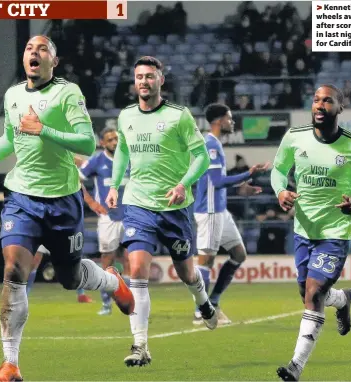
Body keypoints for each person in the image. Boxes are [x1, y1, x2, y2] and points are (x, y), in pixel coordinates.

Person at [0, 35, 134, 381]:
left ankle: (111, 281)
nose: (34, 52)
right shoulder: (13, 95)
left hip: (62, 200)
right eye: (30, 48)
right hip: (21, 197)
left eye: (43, 49)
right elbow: (12, 139)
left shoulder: (67, 93)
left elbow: (87, 143)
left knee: (69, 278)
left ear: (54, 62)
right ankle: (10, 364)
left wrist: (43, 129)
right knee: (15, 268)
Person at [106, 56, 217, 368]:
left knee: (187, 273)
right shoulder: (125, 115)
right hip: (139, 203)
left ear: (161, 81)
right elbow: (123, 151)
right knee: (137, 270)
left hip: (175, 208)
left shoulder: (179, 117)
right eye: (139, 76)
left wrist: (184, 184)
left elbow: (201, 158)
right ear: (134, 81)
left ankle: (203, 301)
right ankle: (140, 346)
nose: (144, 81)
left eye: (150, 77)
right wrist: (115, 185)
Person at [271, 85, 351, 381]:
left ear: (340, 107)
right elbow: (278, 170)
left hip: (336, 231)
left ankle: (296, 366)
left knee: (314, 293)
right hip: (304, 229)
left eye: (327, 101)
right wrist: (280, 190)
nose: (320, 105)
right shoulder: (295, 137)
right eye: (316, 100)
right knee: (308, 291)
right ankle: (342, 300)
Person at [193, 103, 270, 325]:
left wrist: (240, 188)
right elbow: (216, 182)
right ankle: (201, 310)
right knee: (205, 261)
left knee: (239, 254)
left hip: (220, 210)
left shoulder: (216, 144)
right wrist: (248, 173)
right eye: (229, 118)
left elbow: (212, 181)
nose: (232, 122)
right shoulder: (210, 145)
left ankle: (214, 302)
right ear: (218, 121)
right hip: (209, 211)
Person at [78, 126, 132, 315]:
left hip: (130, 216)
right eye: (109, 140)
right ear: (102, 143)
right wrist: (92, 202)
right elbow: (77, 180)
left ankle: (130, 302)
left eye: (116, 138)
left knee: (130, 258)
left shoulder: (128, 158)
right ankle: (106, 303)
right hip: (108, 217)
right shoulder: (97, 161)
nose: (114, 142)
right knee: (107, 260)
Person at [26, 245, 92, 303]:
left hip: (59, 237)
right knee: (34, 265)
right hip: (44, 235)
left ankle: (81, 295)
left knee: (74, 263)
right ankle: (25, 295)